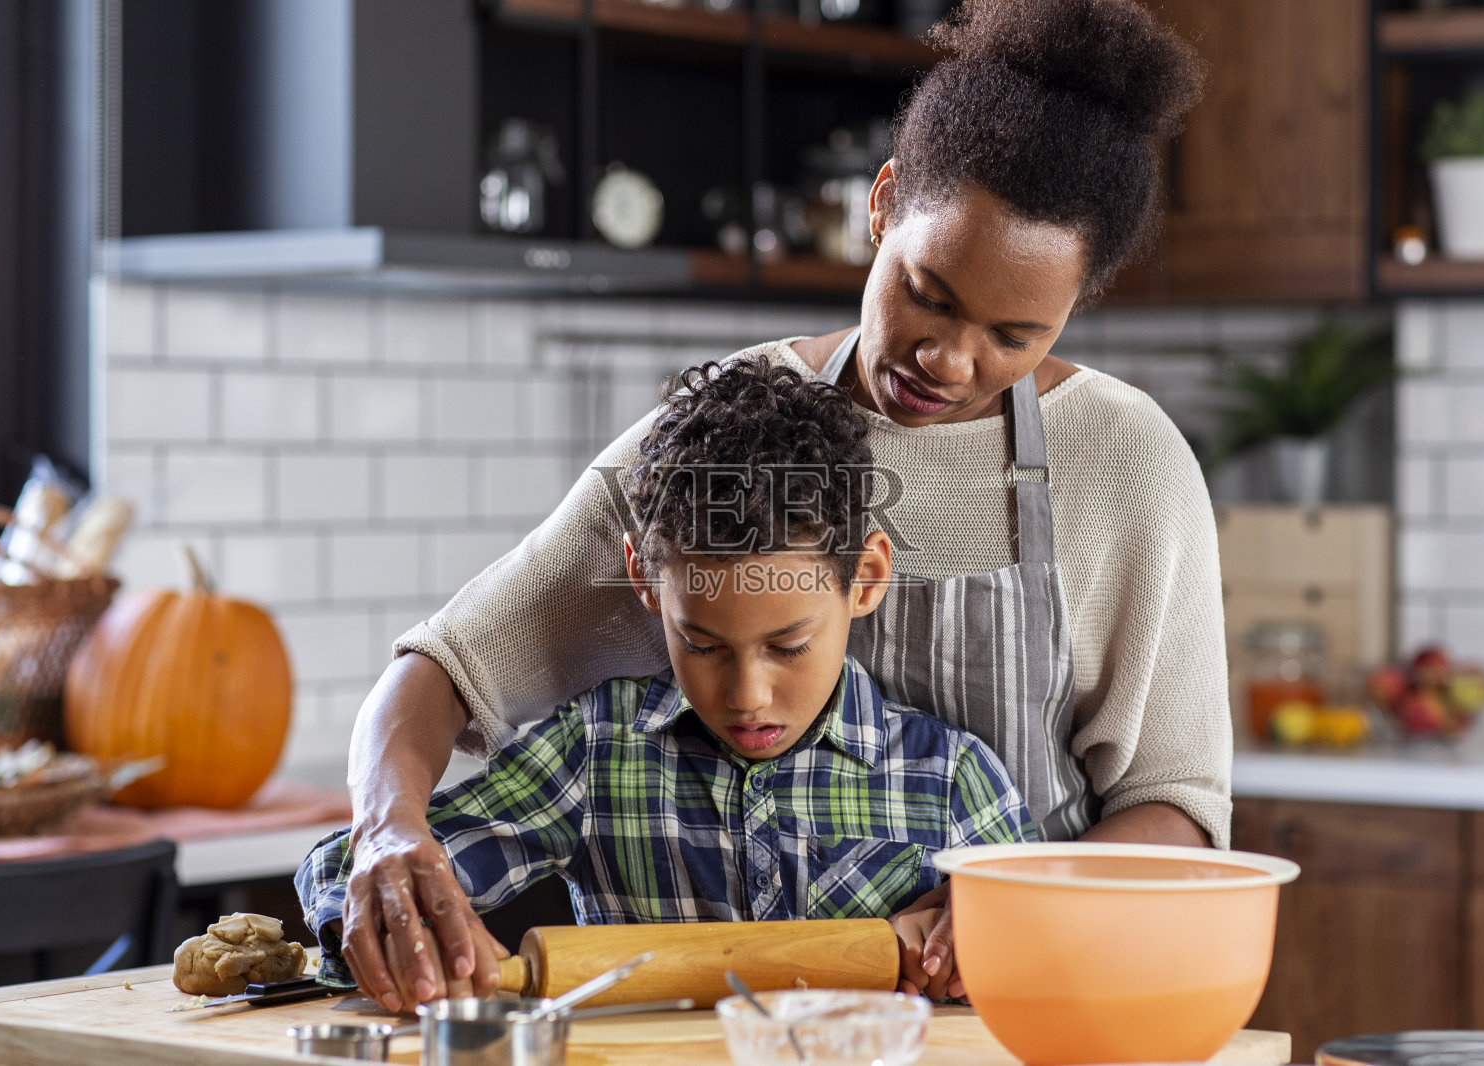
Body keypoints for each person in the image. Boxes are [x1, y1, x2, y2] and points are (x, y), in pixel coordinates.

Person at [335, 0, 1224, 1013]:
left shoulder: (1123, 458)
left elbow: (1179, 808)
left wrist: (1013, 898)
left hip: (1031, 1007)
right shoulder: (734, 431)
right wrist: (386, 826)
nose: (950, 358)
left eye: (1012, 333)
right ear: (882, 206)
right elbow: (446, 667)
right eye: (927, 293)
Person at [298, 358, 1035, 1002]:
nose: (746, 695)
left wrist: (987, 938)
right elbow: (349, 868)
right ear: (646, 582)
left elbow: (1047, 945)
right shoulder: (596, 752)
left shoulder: (949, 781)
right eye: (703, 644)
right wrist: (412, 916)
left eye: (789, 645)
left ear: (866, 579)